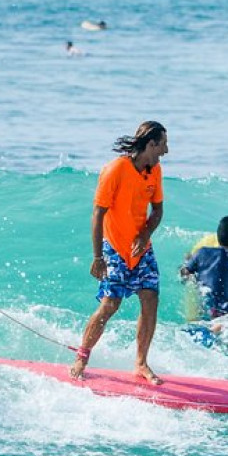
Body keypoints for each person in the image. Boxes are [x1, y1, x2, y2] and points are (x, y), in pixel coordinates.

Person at [70, 121, 169, 384]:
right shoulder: (116, 169)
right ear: (151, 144)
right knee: (110, 305)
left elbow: (157, 211)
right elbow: (98, 213)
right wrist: (98, 257)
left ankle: (140, 363)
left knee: (150, 300)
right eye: (163, 144)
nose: (166, 150)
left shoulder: (155, 170)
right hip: (114, 247)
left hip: (141, 248)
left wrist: (145, 234)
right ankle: (82, 357)